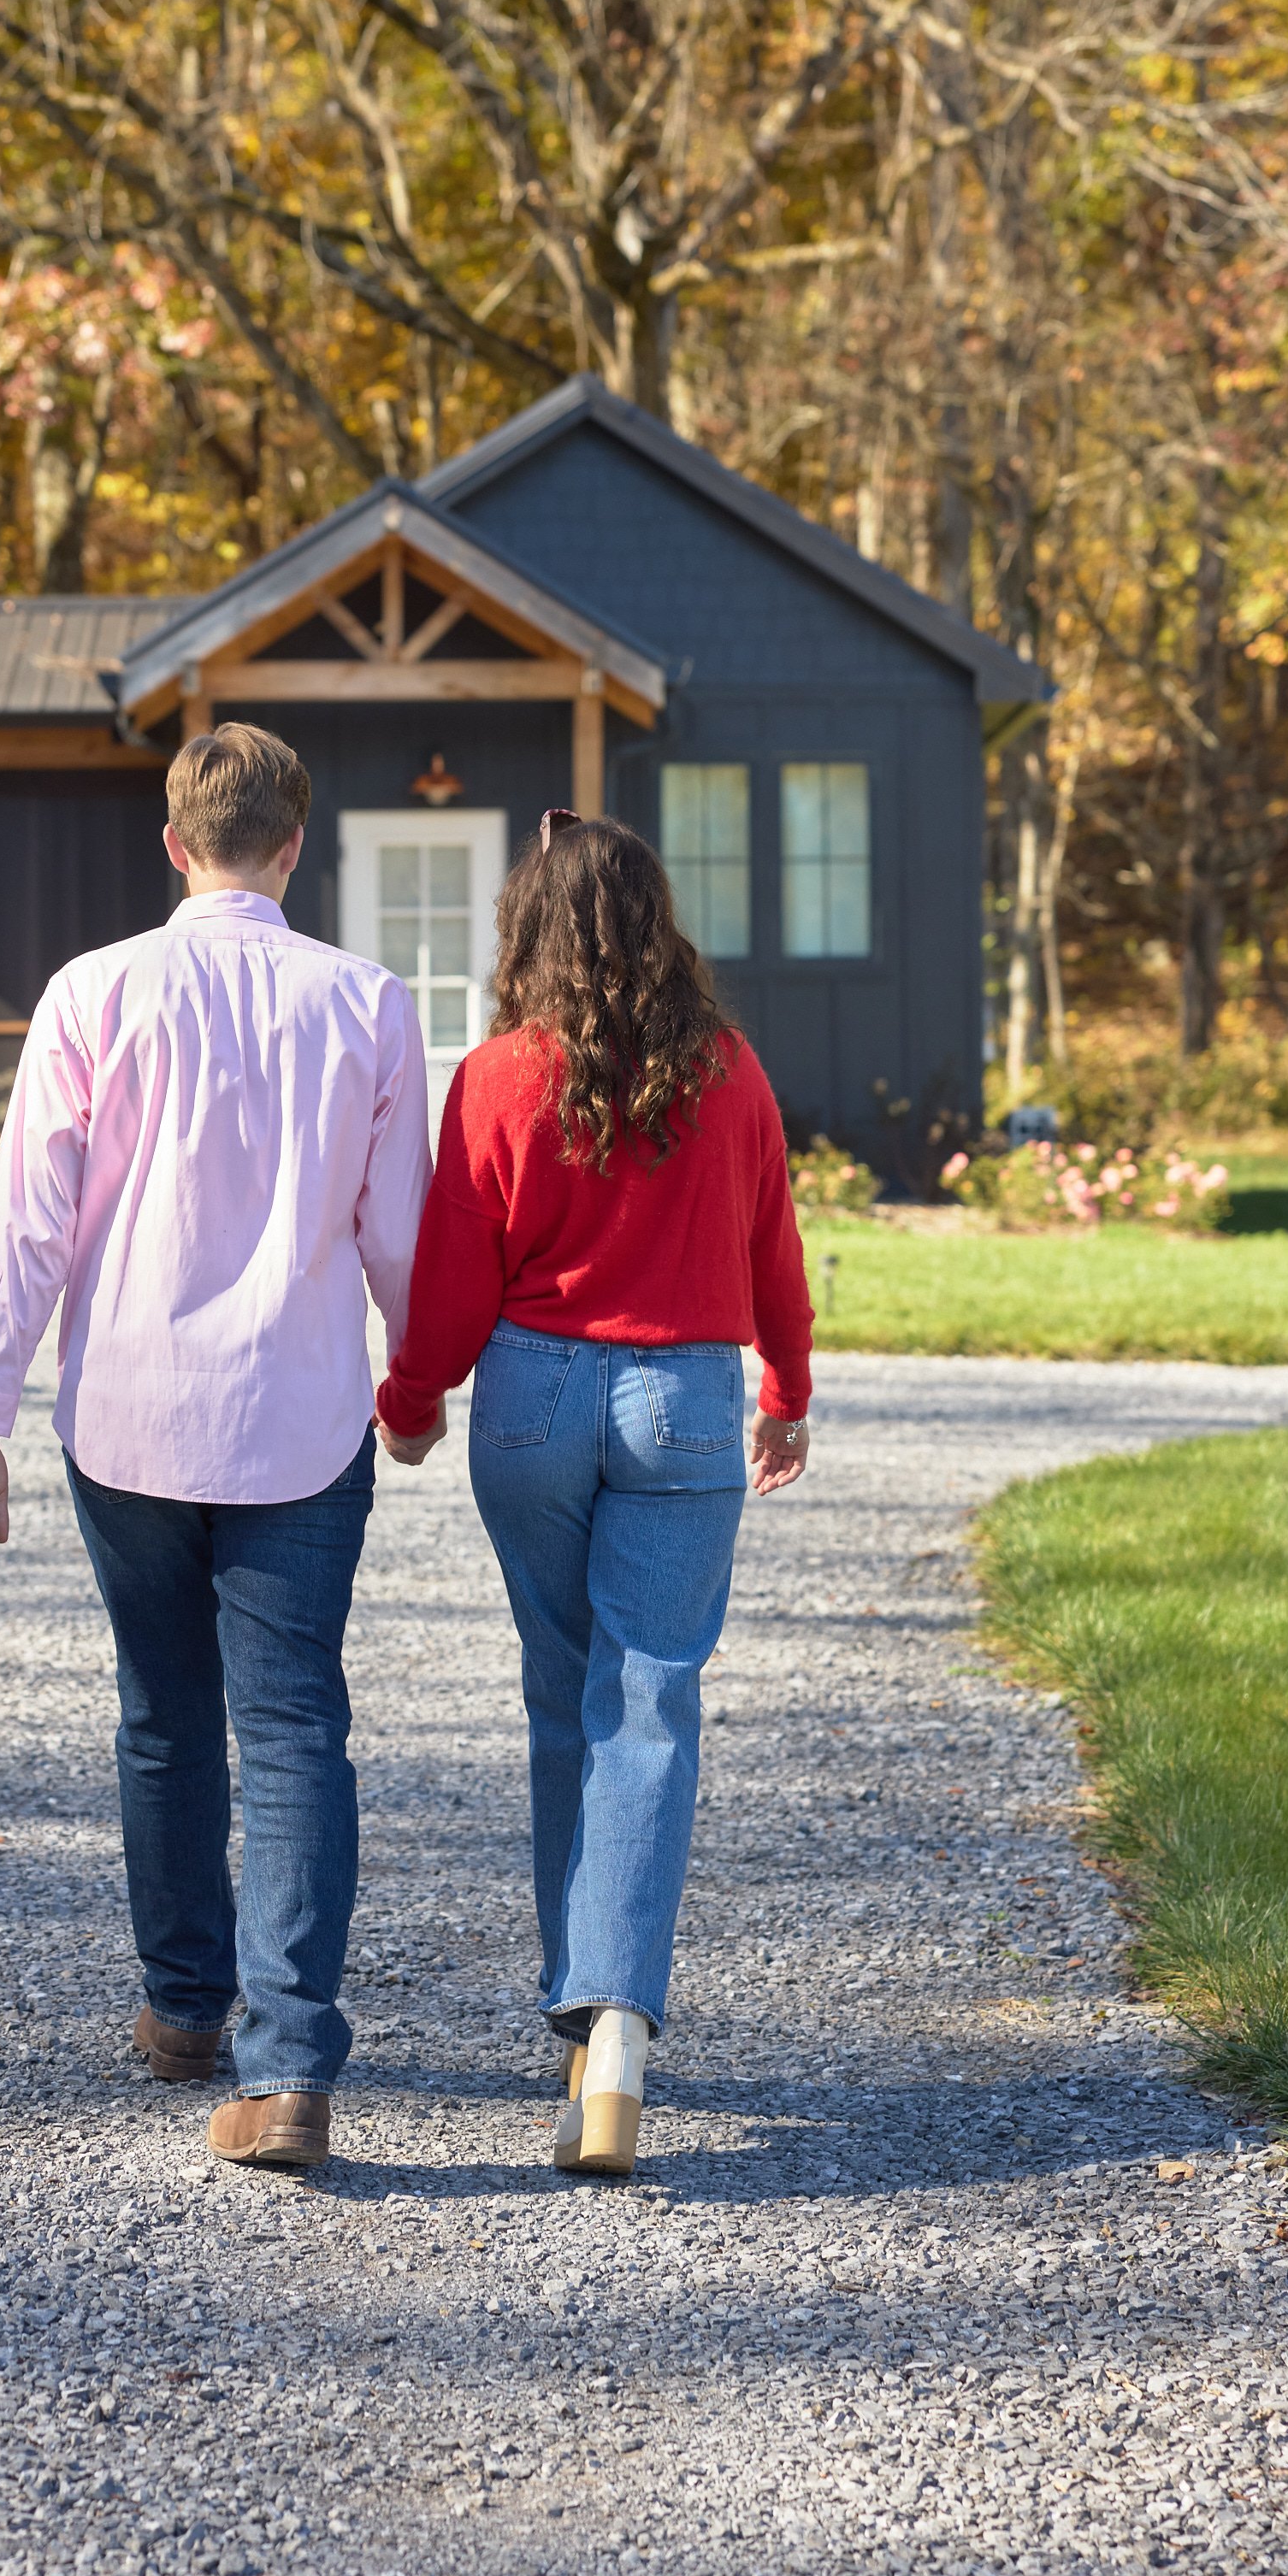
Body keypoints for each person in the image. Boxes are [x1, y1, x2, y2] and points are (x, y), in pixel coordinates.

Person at [0, 725, 430, 2175]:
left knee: (161, 1716)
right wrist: (418, 1377)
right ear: (295, 845)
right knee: (293, 1729)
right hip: (300, 1415)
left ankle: (179, 2012)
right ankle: (285, 2069)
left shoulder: (94, 991)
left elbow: (28, 1219)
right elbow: (395, 1226)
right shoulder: (366, 1000)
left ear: (172, 842)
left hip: (131, 1414)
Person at [374, 811, 812, 2179]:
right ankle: (614, 2021)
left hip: (533, 1402)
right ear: (659, 922)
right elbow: (773, 1240)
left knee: (565, 1681)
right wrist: (785, 1390)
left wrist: (411, 1396)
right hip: (682, 1397)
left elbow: (456, 1262)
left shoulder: (498, 1075)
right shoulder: (729, 1072)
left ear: (530, 933)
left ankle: (580, 2006)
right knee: (648, 1697)